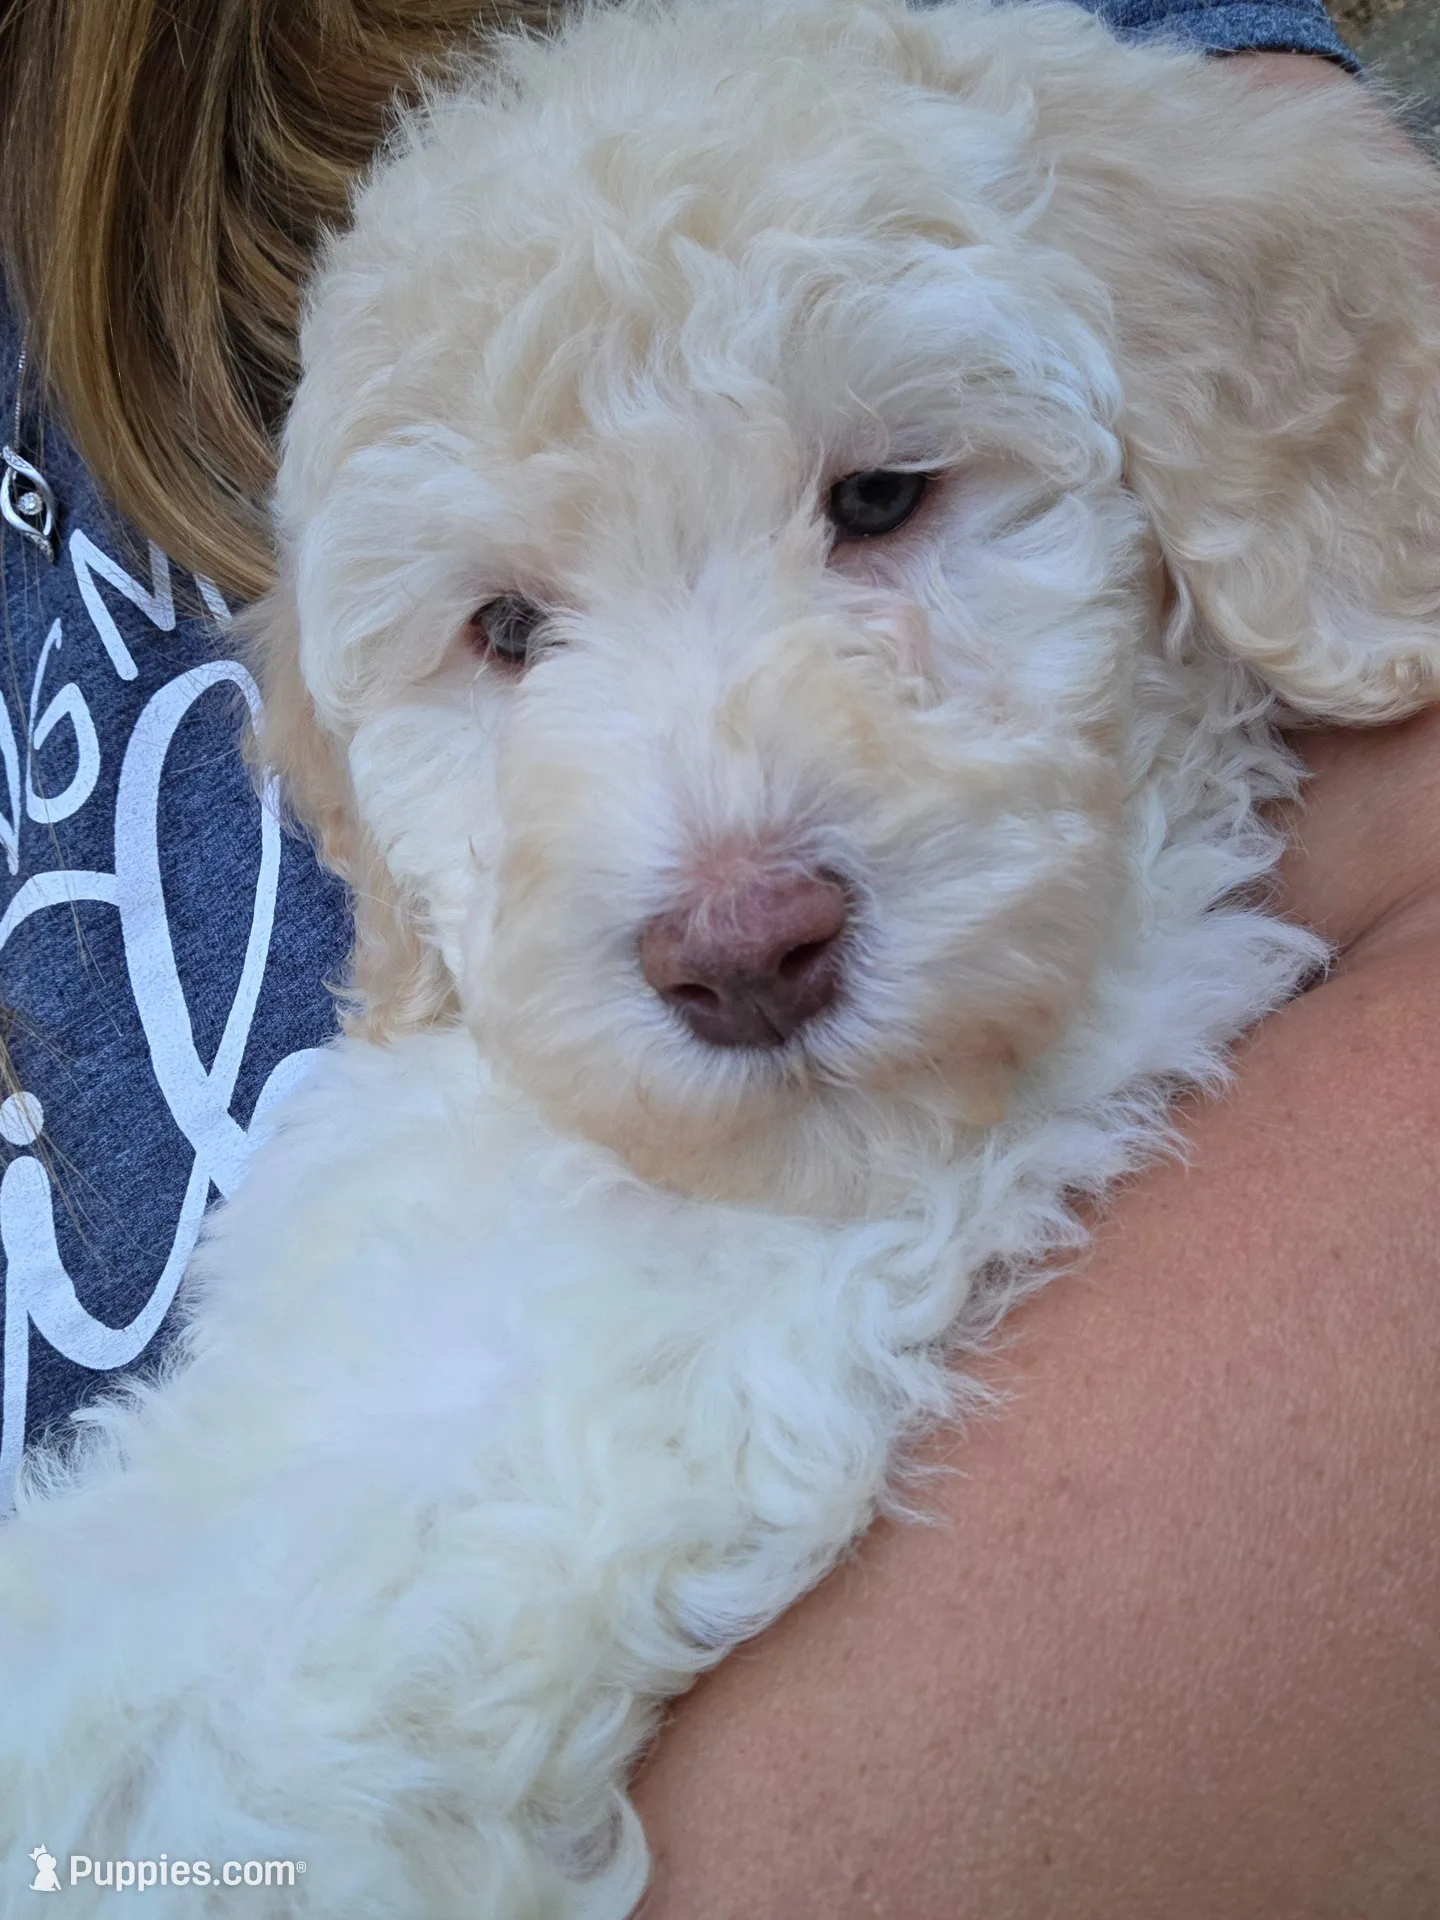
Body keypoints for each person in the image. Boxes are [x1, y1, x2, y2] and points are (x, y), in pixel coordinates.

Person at [0, 2, 1434, 1912]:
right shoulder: (389, 1171)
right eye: (514, 631)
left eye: (875, 504)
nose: (724, 892)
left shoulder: (1004, 118)